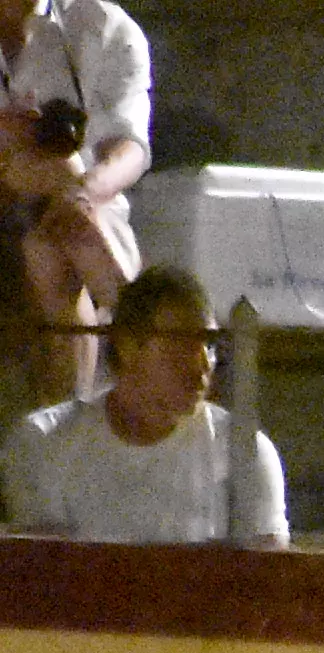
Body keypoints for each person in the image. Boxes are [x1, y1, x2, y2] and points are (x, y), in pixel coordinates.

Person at [6, 261, 280, 543]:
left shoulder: (243, 453)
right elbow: (40, 564)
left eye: (209, 346)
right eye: (182, 343)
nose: (202, 365)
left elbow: (268, 566)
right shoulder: (44, 442)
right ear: (127, 345)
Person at [0, 0, 147, 367]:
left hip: (78, 219)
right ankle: (144, 334)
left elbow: (128, 147)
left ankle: (126, 346)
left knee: (48, 241)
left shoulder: (103, 27)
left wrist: (82, 193)